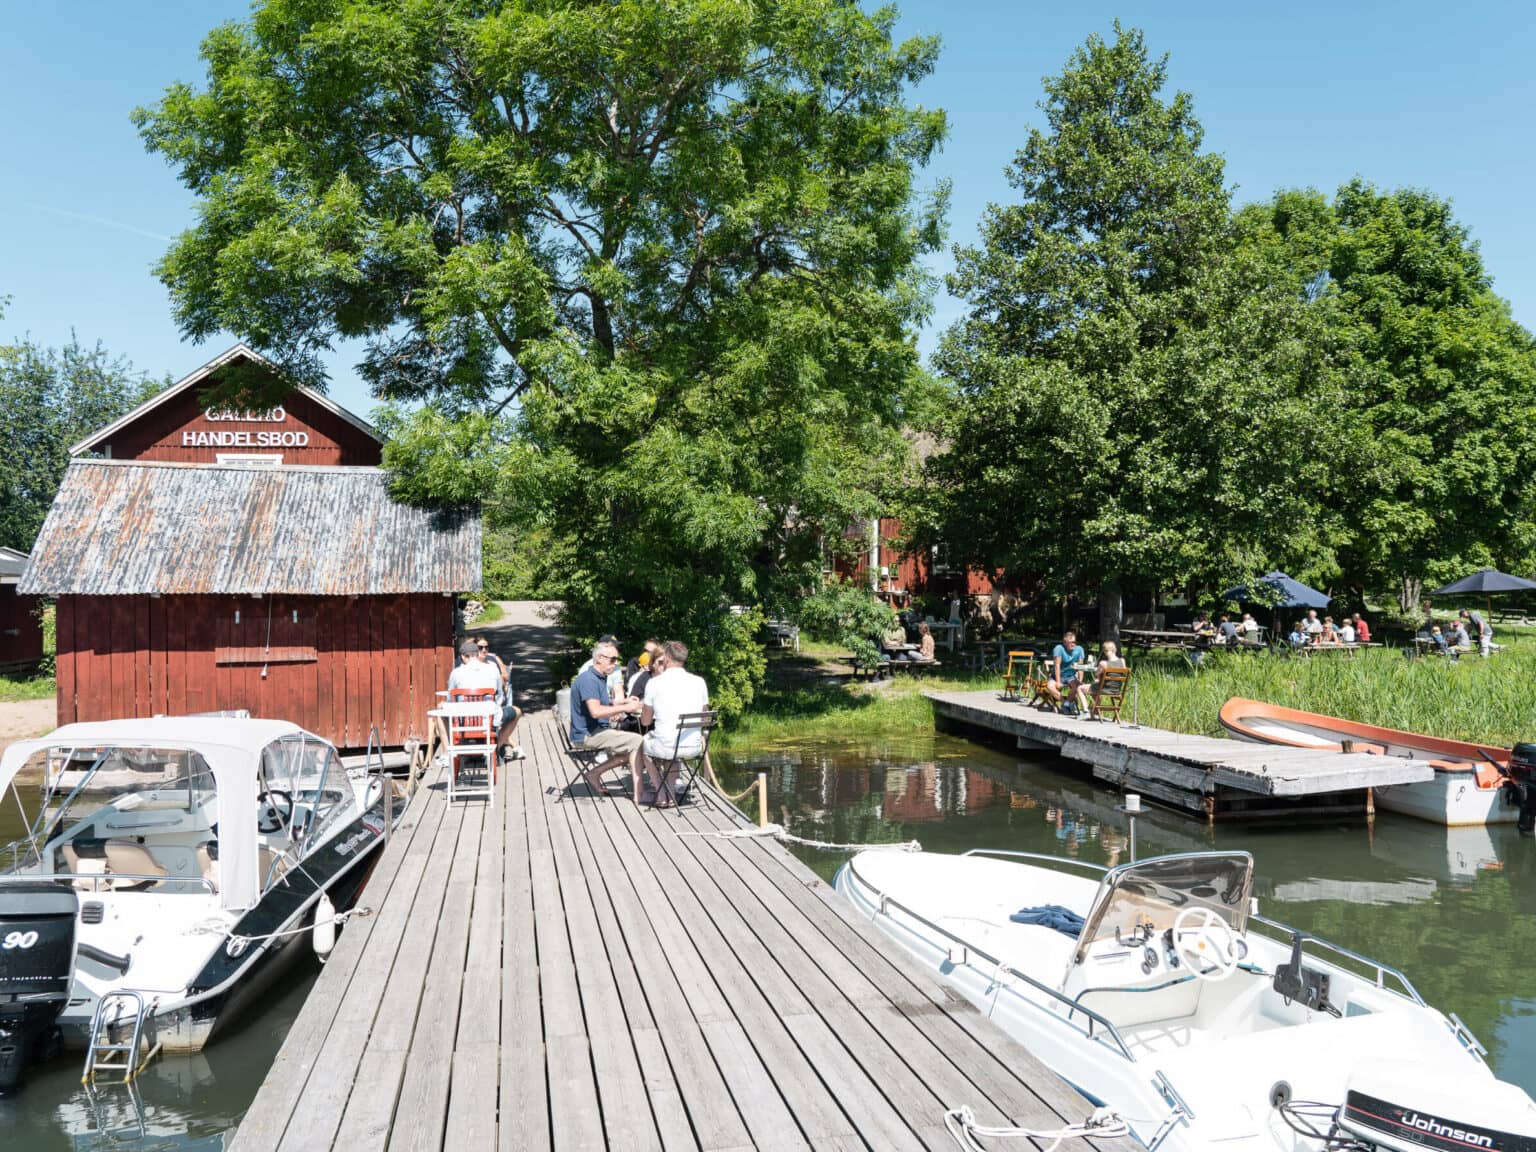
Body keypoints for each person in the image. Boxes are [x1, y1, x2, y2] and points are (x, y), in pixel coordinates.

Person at [639, 641, 711, 806]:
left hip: (668, 746)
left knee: (644, 744)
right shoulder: (699, 682)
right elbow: (706, 718)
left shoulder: (654, 683)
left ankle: (661, 793)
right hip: (693, 746)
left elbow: (645, 721)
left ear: (667, 658)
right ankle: (671, 792)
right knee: (671, 746)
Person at [569, 640, 643, 790]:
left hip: (596, 730)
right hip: (587, 734)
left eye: (617, 660)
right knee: (639, 741)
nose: (615, 664)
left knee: (636, 744)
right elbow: (596, 711)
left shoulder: (598, 677)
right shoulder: (589, 680)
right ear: (599, 658)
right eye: (612, 659)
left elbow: (601, 703)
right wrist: (628, 707)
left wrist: (623, 702)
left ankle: (595, 773)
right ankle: (639, 791)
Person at [447, 639, 522, 762]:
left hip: (463, 721)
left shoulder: (456, 673)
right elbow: (500, 697)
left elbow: (450, 700)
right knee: (517, 711)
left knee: (440, 714)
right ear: (477, 654)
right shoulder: (492, 669)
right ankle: (496, 748)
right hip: (489, 720)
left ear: (462, 657)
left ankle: (447, 754)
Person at [475, 638, 524, 759]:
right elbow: (500, 692)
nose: (484, 650)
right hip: (488, 711)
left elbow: (505, 677)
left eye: (486, 647)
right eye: (480, 648)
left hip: (473, 713)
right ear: (474, 650)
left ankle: (498, 745)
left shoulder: (492, 660)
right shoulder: (486, 667)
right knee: (514, 711)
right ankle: (496, 747)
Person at [1043, 630, 1087, 713]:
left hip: (1071, 676)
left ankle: (1066, 704)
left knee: (1078, 686)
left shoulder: (1079, 649)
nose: (1073, 644)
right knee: (1050, 686)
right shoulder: (1059, 648)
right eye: (1070, 642)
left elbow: (1081, 667)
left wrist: (1080, 680)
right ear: (1064, 642)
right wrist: (1058, 681)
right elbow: (1057, 666)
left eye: (1074, 642)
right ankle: (1065, 703)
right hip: (1057, 675)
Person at [1080, 640, 1126, 717]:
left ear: (1104, 651)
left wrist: (1098, 676)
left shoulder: (1103, 663)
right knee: (1094, 687)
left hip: (1104, 689)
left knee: (1080, 688)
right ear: (1115, 649)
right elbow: (1124, 672)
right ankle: (1096, 711)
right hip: (1116, 690)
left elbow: (1096, 674)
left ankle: (1086, 711)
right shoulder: (1122, 661)